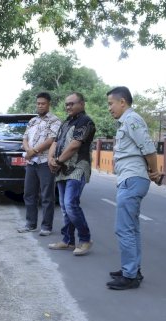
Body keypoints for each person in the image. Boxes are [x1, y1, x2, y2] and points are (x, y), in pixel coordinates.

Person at [106, 86, 163, 290]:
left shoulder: (132, 120)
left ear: (123, 102)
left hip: (132, 179)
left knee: (123, 229)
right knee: (132, 228)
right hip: (130, 179)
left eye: (111, 103)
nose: (109, 108)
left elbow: (148, 148)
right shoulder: (127, 122)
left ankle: (129, 275)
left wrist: (155, 172)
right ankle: (132, 269)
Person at [47, 93, 96, 256]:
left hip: (78, 167)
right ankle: (68, 240)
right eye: (66, 104)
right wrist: (50, 159)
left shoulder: (86, 121)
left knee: (70, 204)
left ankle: (85, 239)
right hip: (61, 169)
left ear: (82, 104)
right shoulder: (66, 122)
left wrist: (58, 161)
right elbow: (55, 142)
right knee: (64, 207)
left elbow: (75, 145)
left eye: (72, 104)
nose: (68, 107)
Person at [17, 92, 62, 236]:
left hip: (44, 162)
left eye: (43, 103)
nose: (40, 106)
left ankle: (46, 227)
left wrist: (34, 150)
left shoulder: (54, 121)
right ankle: (30, 224)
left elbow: (51, 140)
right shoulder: (32, 121)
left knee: (47, 195)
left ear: (49, 104)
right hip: (31, 163)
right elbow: (24, 138)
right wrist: (29, 150)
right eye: (38, 103)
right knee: (29, 194)